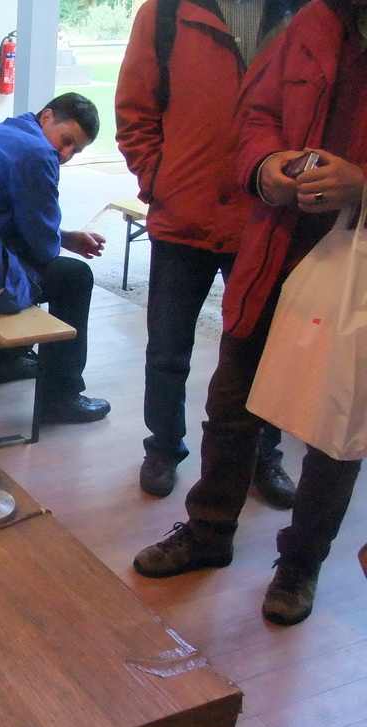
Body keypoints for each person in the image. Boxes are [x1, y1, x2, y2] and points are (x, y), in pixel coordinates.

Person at [133, 0, 367, 626]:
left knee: (335, 425)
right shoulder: (316, 20)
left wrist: (362, 185)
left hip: (356, 277)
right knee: (231, 401)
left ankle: (300, 566)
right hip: (272, 250)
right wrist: (267, 168)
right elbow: (255, 117)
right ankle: (209, 532)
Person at [116, 0, 304, 504]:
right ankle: (163, 448)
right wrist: (159, 178)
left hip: (264, 219)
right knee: (168, 347)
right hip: (184, 216)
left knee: (264, 352)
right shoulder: (167, 12)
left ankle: (265, 455)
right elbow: (135, 109)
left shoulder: (299, 12)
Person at [0, 92, 111, 424]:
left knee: (28, 261)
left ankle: (6, 358)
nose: (65, 154)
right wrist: (58, 239)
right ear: (47, 116)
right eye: (66, 141)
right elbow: (44, 247)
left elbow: (10, 219)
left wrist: (64, 237)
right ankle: (61, 396)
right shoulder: (37, 154)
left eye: (75, 151)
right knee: (75, 277)